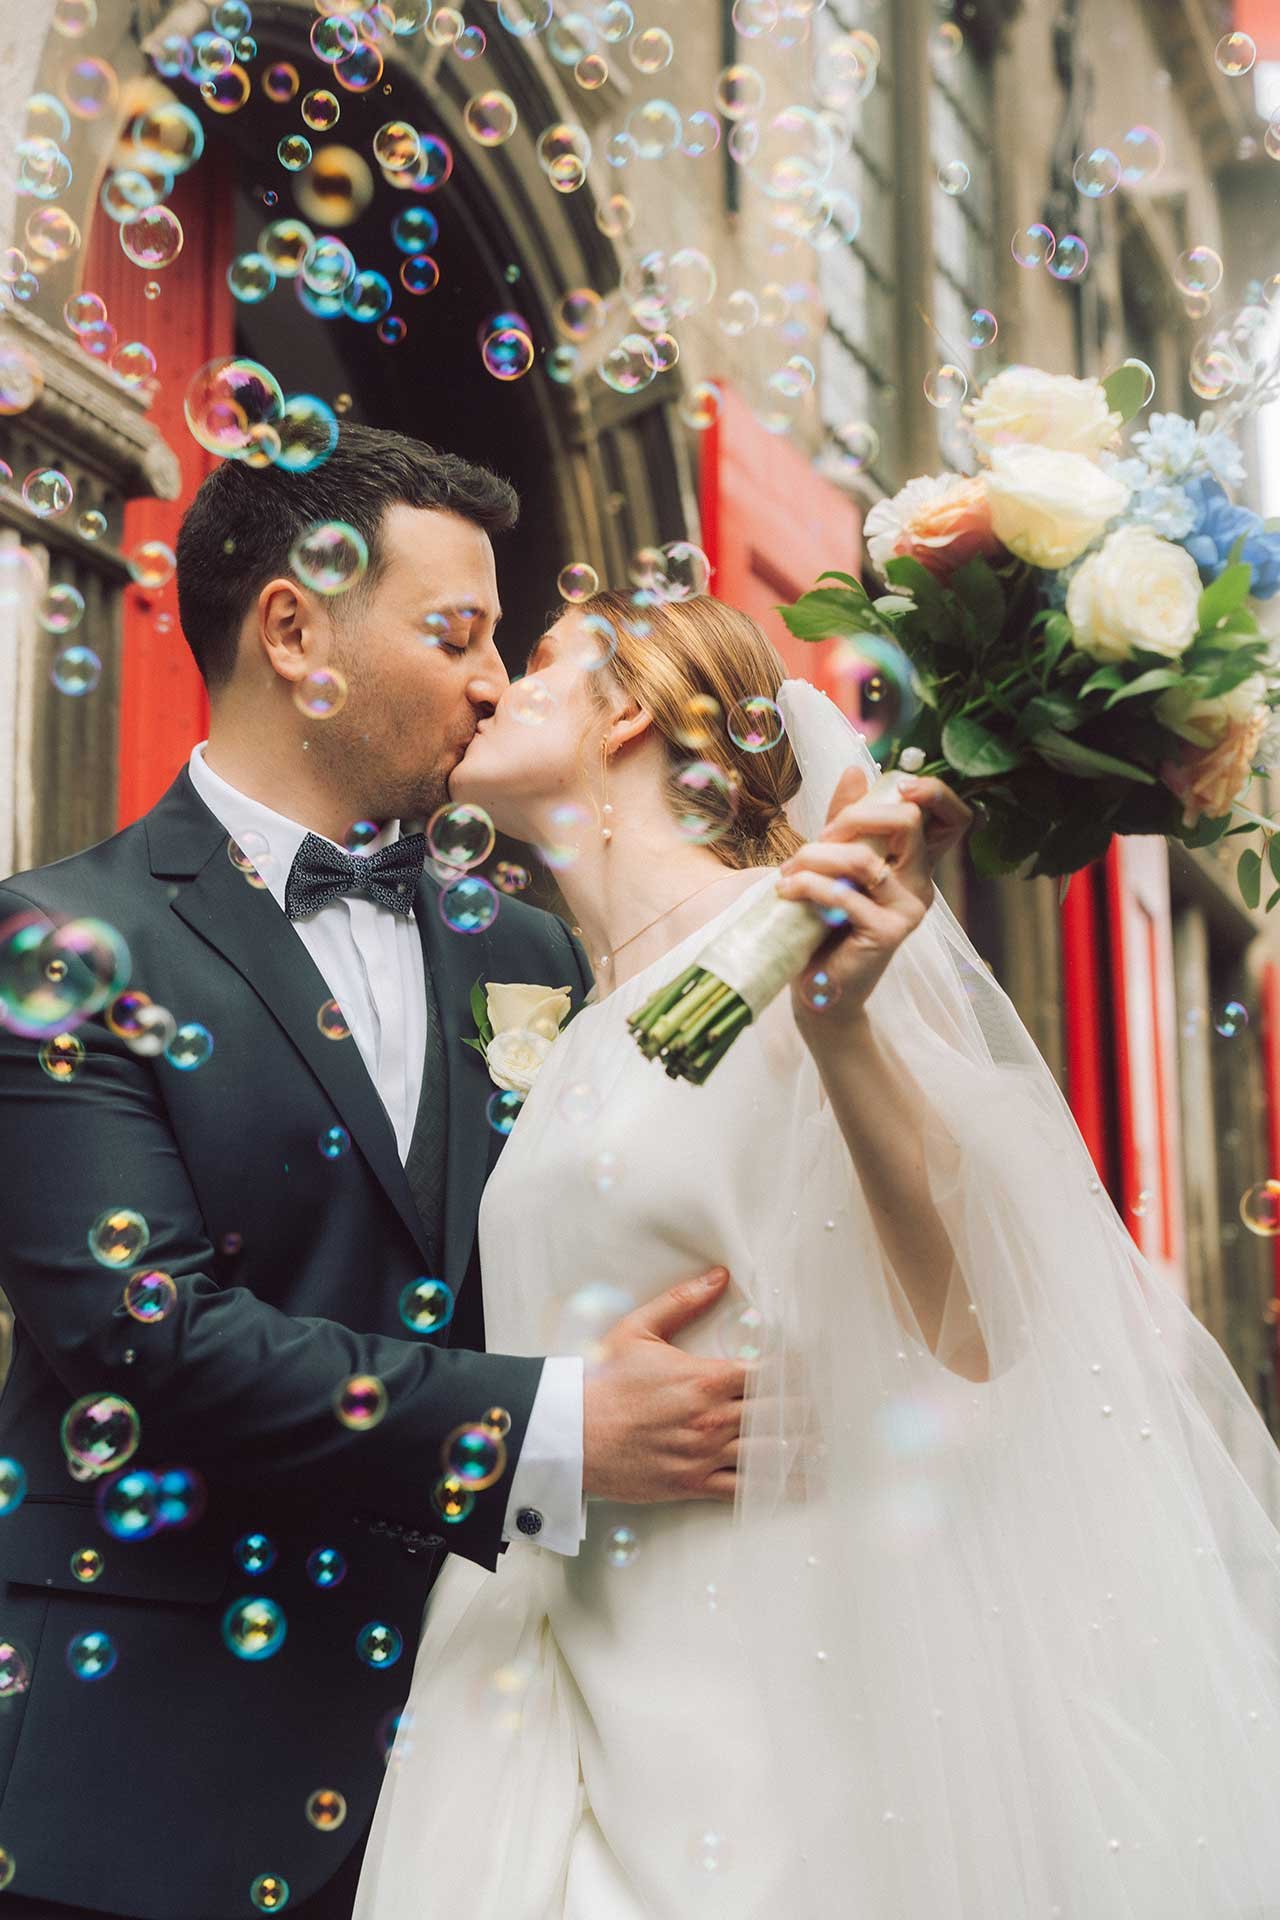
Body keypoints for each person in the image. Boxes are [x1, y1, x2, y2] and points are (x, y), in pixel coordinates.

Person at [355, 588, 1280, 1919]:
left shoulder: (803, 944)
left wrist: (841, 1025)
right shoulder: (585, 1021)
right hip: (564, 1676)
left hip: (764, 1709)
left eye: (536, 661)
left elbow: (975, 1325)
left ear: (628, 713)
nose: (491, 685)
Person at [0, 430, 762, 1919]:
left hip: (486, 1764)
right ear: (294, 631)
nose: (492, 683)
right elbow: (147, 1337)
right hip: (151, 1772)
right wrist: (557, 1427)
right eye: (455, 634)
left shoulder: (533, 948)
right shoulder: (63, 944)